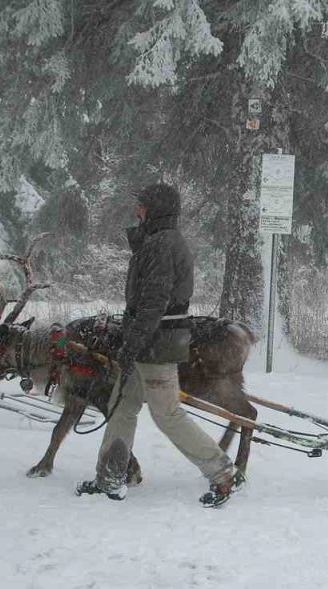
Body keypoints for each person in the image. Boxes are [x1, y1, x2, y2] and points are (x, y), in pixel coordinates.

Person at [75, 183, 241, 506]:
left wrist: (132, 342)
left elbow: (153, 302)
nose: (137, 210)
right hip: (148, 342)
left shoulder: (163, 245)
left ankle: (222, 473)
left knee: (167, 414)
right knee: (121, 405)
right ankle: (109, 478)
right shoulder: (155, 242)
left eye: (143, 205)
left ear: (157, 209)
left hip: (156, 344)